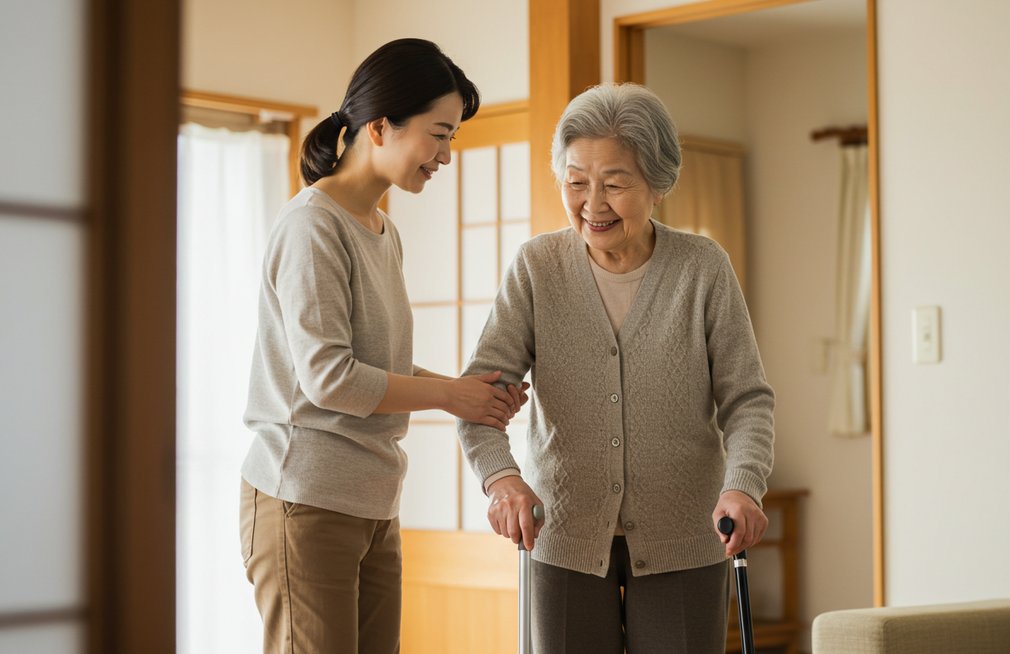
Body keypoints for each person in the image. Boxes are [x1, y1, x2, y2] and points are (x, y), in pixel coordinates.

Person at [458, 83, 775, 653]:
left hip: (686, 539)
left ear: (657, 184)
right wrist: (502, 479)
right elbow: (480, 396)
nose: (592, 203)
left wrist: (743, 487)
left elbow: (747, 399)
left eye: (615, 183)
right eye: (576, 182)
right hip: (564, 537)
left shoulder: (702, 268)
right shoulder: (537, 268)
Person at [239, 38, 527, 654]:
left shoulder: (381, 230)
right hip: (304, 500)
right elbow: (331, 379)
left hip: (373, 502)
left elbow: (380, 368)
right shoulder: (312, 226)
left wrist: (467, 392)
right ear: (378, 126)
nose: (447, 155)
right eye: (439, 134)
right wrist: (451, 397)